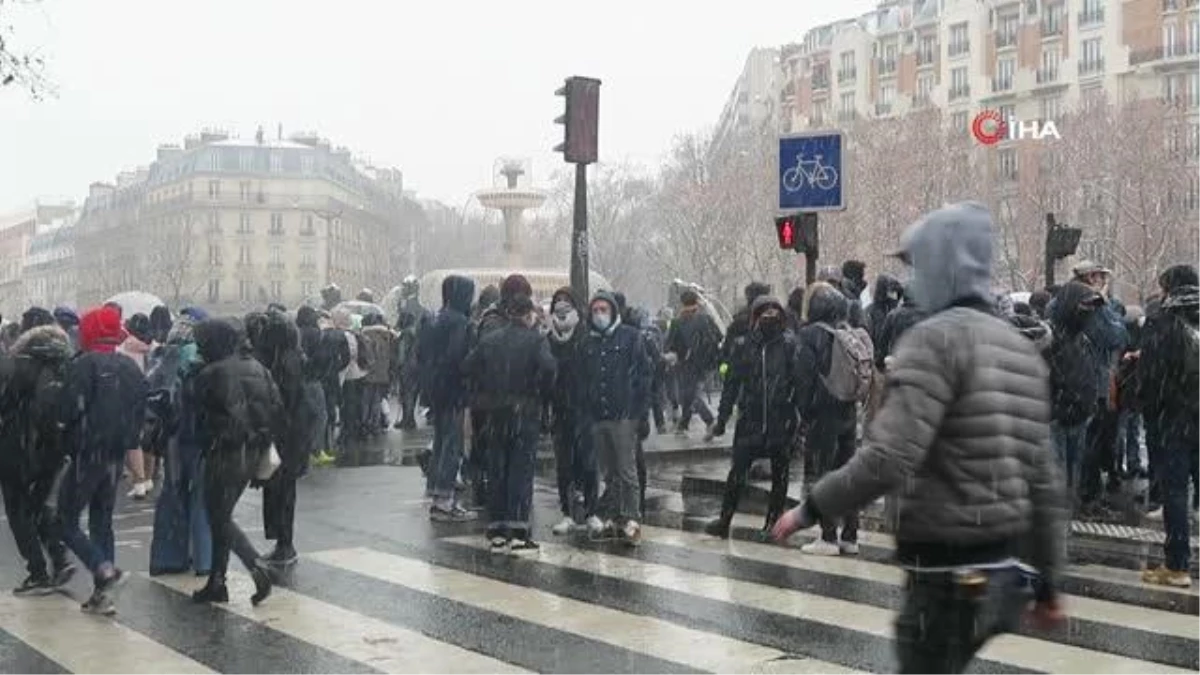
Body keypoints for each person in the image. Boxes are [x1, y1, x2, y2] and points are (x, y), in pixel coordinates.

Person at [773, 201, 1065, 674]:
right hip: (1001, 566)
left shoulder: (933, 341)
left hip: (944, 563)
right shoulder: (1018, 347)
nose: (914, 279)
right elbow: (1044, 475)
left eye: (920, 265)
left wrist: (812, 508)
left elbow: (888, 456)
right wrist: (1049, 579)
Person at [58, 305, 148, 614]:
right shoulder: (129, 367)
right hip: (115, 455)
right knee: (102, 521)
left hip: (86, 453)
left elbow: (68, 410)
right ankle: (103, 595)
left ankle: (103, 569)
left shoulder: (84, 365)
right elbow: (140, 412)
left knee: (65, 521)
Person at [191, 317, 281, 605]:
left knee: (218, 515)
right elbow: (275, 408)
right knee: (222, 515)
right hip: (253, 449)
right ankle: (217, 581)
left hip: (224, 449)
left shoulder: (211, 372)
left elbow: (196, 416)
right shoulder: (260, 368)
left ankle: (256, 565)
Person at [463, 294, 556, 551]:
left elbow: (468, 366)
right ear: (528, 315)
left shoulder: (490, 341)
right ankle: (518, 529)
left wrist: (486, 391)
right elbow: (549, 368)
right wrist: (539, 391)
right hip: (524, 411)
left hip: (496, 412)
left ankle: (496, 529)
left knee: (498, 470)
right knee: (521, 470)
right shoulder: (535, 340)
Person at [705, 296, 799, 540]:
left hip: (780, 420)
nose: (770, 316)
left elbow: (799, 383)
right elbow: (731, 385)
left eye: (774, 312)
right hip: (750, 420)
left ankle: (772, 524)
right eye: (764, 312)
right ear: (755, 317)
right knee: (737, 471)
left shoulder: (789, 344)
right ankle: (725, 519)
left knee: (780, 473)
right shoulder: (743, 345)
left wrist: (799, 418)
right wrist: (722, 418)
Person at [0, 319, 76, 595]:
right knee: (40, 507)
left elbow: (5, 403)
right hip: (53, 449)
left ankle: (37, 571)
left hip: (18, 448)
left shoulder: (18, 365)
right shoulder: (65, 367)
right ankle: (59, 557)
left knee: (18, 511)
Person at [793, 282, 866, 556]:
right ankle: (851, 535)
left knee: (823, 475)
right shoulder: (846, 332)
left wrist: (806, 412)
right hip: (848, 410)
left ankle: (828, 536)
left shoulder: (810, 334)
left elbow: (804, 377)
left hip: (823, 415)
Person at [1139, 264, 1200, 588]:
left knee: (1176, 493)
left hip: (1175, 419)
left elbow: (1151, 376)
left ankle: (1177, 565)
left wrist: (1151, 411)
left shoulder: (1163, 321)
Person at [579, 291, 650, 543]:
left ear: (612, 311)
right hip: (599, 415)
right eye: (595, 310)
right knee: (609, 472)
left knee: (626, 470)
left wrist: (640, 413)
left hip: (624, 414)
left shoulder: (630, 337)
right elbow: (583, 379)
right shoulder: (588, 342)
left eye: (603, 310)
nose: (599, 315)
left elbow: (643, 377)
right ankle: (614, 515)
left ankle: (632, 517)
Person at [148, 310, 212, 577]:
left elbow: (151, 392)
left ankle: (169, 558)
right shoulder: (201, 357)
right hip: (200, 435)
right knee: (201, 497)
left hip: (173, 435)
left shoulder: (165, 356)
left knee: (172, 494)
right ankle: (204, 560)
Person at [251, 310, 309, 566]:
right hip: (291, 435)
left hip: (284, 436)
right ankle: (283, 542)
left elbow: (281, 403)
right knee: (281, 489)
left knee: (280, 490)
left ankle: (284, 543)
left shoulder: (282, 364)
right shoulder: (292, 359)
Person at [421, 274, 477, 521]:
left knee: (441, 440)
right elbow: (459, 358)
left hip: (435, 388)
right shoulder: (460, 322)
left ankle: (435, 489)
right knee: (452, 444)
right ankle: (444, 499)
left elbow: (421, 353)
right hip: (454, 389)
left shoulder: (433, 318)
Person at [546, 288, 598, 535]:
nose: (562, 306)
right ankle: (566, 512)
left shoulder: (586, 335)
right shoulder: (549, 338)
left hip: (584, 408)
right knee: (564, 465)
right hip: (560, 409)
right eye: (558, 302)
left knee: (588, 462)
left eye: (567, 302)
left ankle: (591, 511)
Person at [1046, 281, 1103, 496]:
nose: (1089, 313)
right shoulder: (1049, 336)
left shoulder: (1082, 338)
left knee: (1071, 482)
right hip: (1056, 420)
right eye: (1084, 307)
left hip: (1078, 417)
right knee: (1056, 482)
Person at [665, 290, 721, 437]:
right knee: (690, 395)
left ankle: (708, 421)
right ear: (696, 302)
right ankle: (683, 426)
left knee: (690, 395)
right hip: (705, 364)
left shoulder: (677, 322)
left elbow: (669, 345)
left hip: (685, 364)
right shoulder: (706, 319)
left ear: (682, 303)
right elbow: (719, 337)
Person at [117, 313, 156, 499]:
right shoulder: (155, 345)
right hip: (154, 394)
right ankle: (148, 478)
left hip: (132, 394)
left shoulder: (126, 345)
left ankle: (138, 480)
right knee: (149, 439)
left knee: (132, 440)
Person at [359, 313, 396, 434]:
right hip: (383, 372)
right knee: (377, 399)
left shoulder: (365, 335)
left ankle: (364, 423)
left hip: (368, 372)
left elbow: (366, 355)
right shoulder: (389, 335)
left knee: (366, 399)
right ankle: (375, 424)